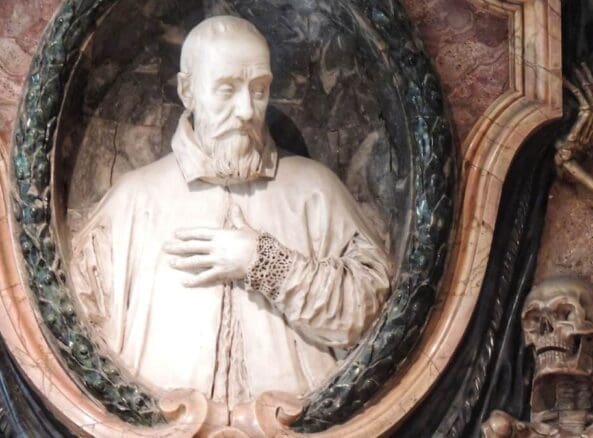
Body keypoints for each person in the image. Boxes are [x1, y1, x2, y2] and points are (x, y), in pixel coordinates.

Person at [70, 15, 391, 411]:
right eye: (227, 89)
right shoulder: (133, 201)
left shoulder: (315, 190)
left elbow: (367, 316)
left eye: (259, 90)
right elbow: (82, 340)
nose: (246, 110)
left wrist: (265, 262)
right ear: (187, 91)